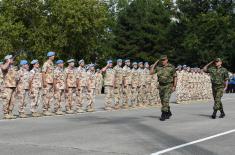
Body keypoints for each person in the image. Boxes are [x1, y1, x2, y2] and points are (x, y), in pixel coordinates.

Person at [151, 55, 177, 121]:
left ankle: (163, 114)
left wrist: (174, 86)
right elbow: (151, 72)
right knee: (163, 101)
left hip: (168, 85)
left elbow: (175, 77)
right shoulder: (158, 67)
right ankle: (168, 112)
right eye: (161, 60)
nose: (163, 61)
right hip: (161, 86)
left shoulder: (171, 67)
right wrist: (155, 63)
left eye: (164, 60)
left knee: (165, 100)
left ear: (167, 60)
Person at [1, 55, 17, 119]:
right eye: (11, 58)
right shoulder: (3, 65)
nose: (12, 59)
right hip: (7, 86)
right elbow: (3, 68)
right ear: (7, 59)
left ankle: (10, 112)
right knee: (6, 100)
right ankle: (5, 114)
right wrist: (8, 62)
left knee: (12, 100)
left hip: (13, 85)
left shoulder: (12, 67)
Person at [42, 51, 55, 116]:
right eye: (53, 56)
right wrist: (44, 82)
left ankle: (48, 109)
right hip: (47, 82)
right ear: (49, 56)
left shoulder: (52, 63)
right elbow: (43, 73)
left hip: (51, 82)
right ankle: (45, 110)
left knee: (50, 96)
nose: (54, 57)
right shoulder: (46, 63)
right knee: (46, 96)